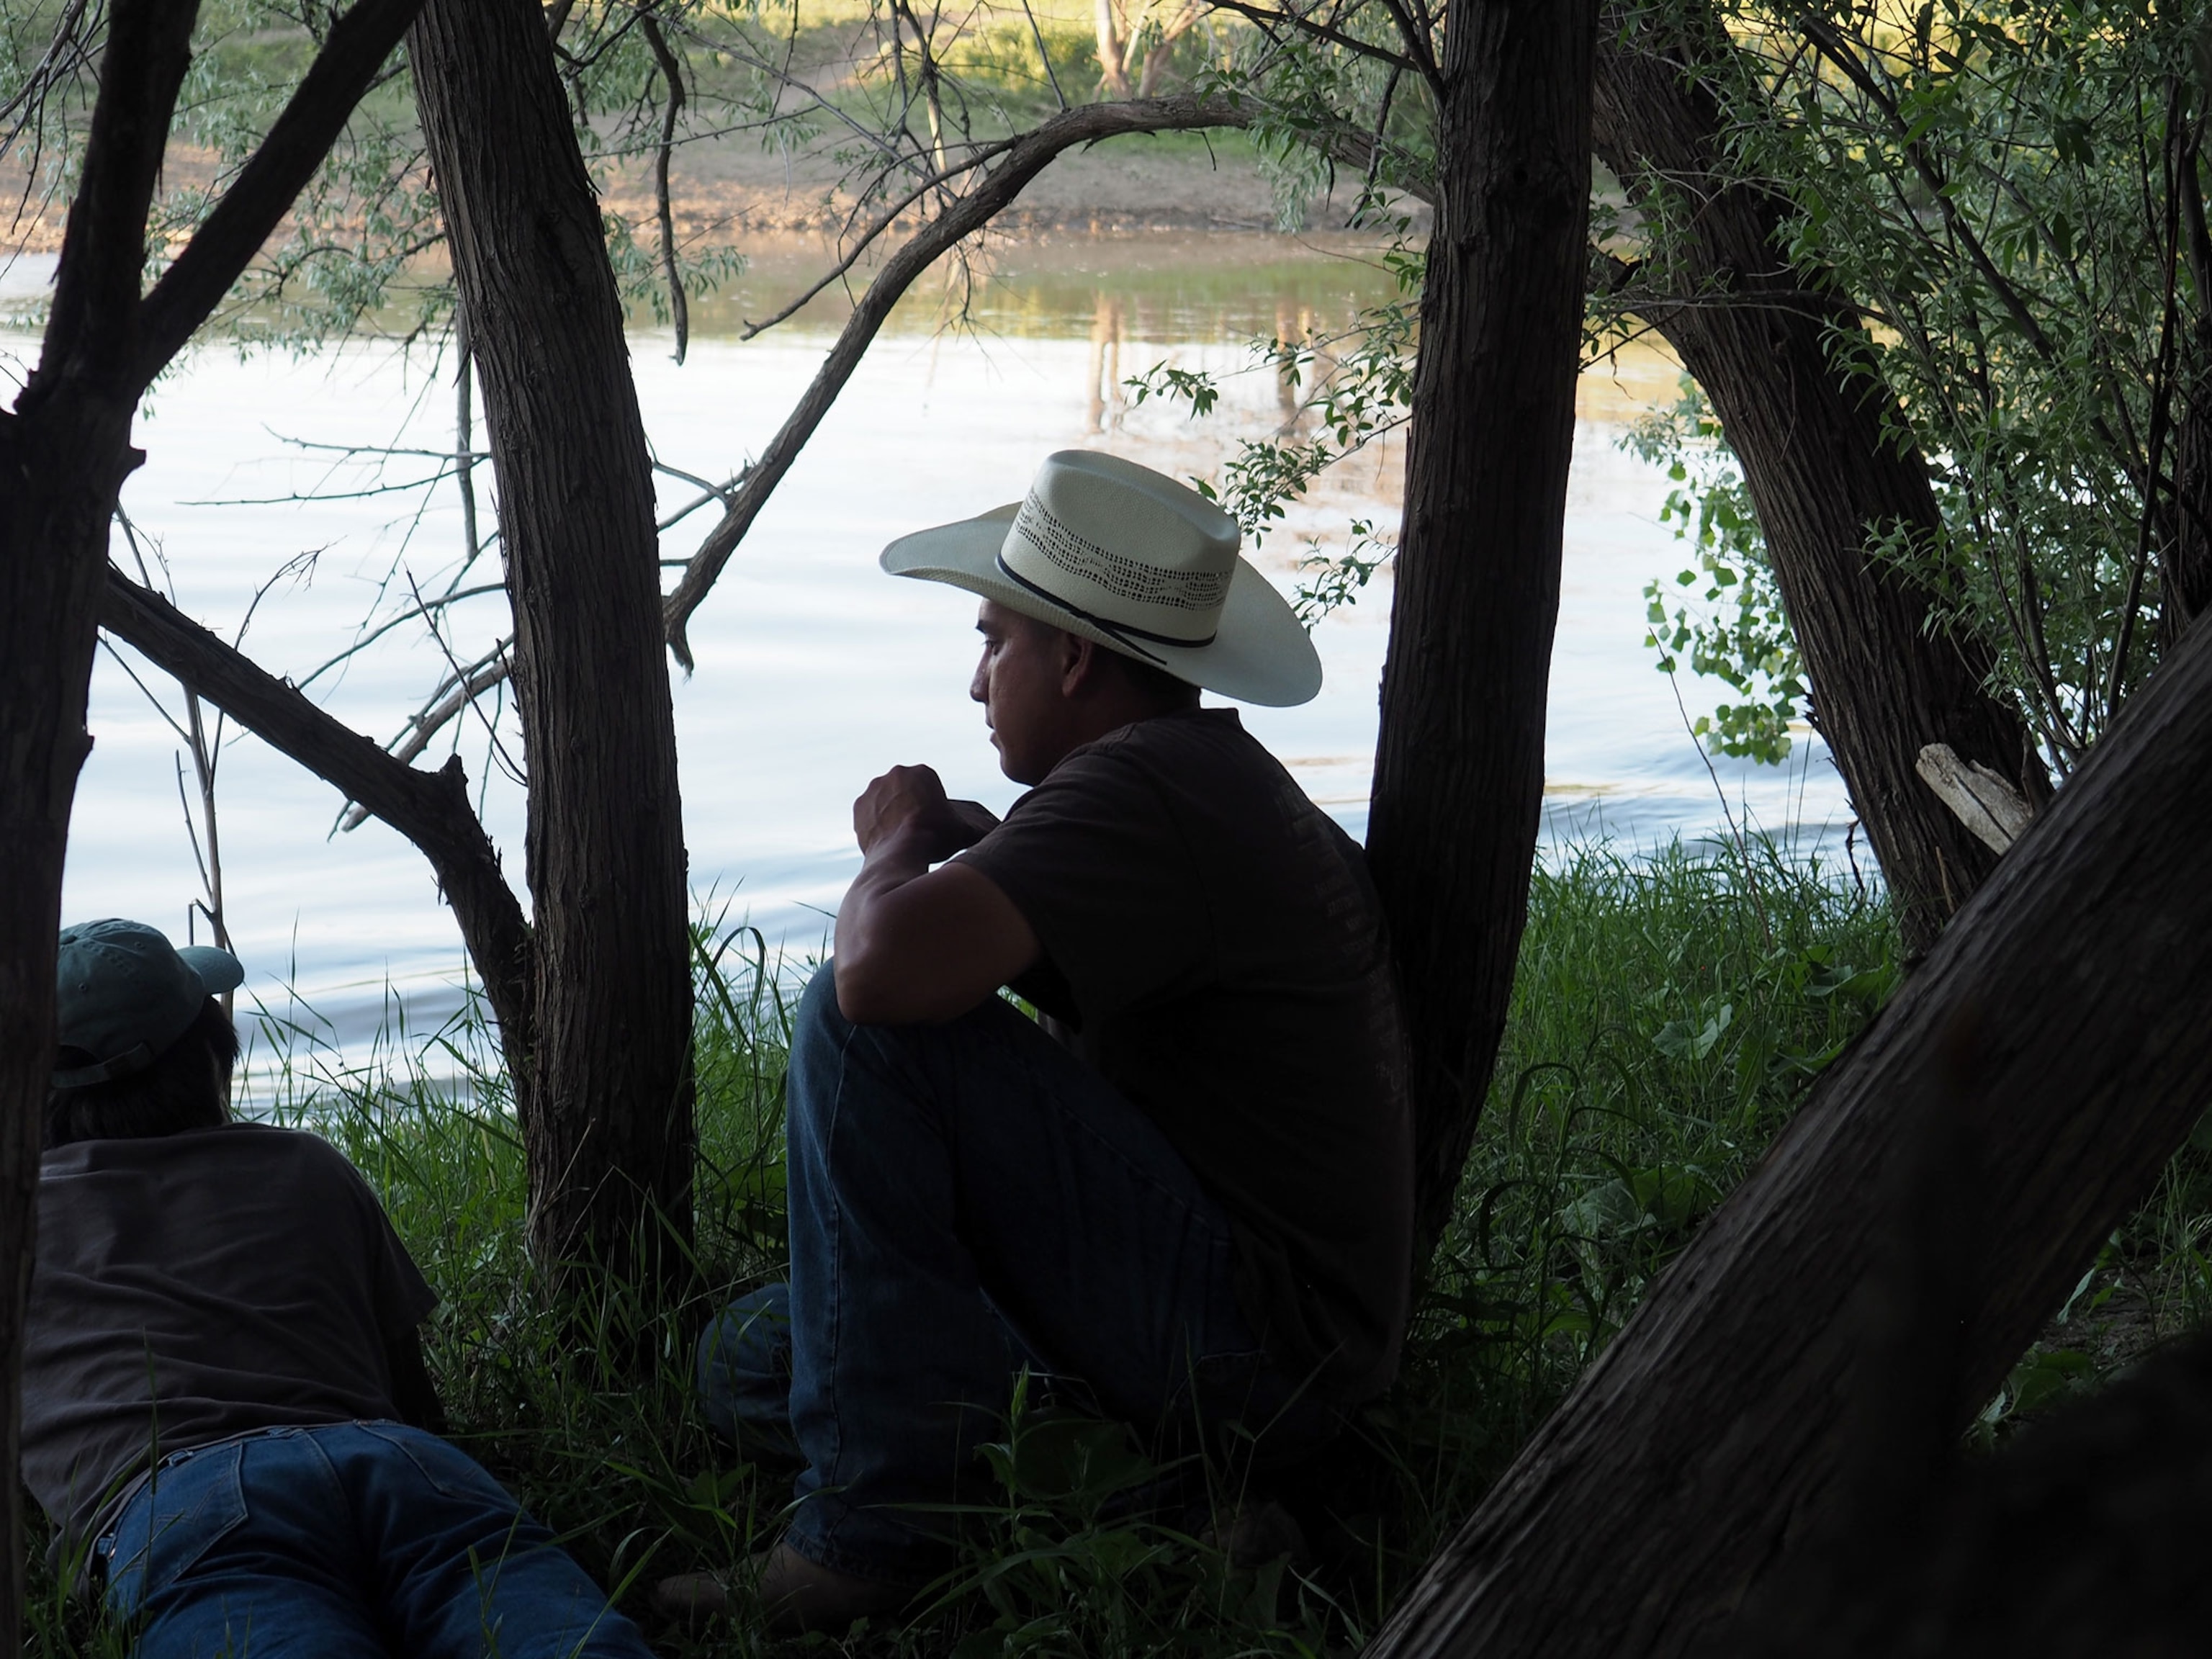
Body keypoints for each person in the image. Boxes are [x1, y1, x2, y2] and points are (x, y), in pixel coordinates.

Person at [667, 449, 1415, 1634]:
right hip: (1272, 1350)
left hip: (1253, 1345)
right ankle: (1173, 1499)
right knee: (749, 1355)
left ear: (1071, 659)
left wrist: (896, 842)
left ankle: (867, 1539)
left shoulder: (1142, 792)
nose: (975, 682)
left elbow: (878, 977)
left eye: (993, 640)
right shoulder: (1184, 778)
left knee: (851, 1026)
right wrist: (973, 857)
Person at [27, 918, 655, 1659]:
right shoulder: (306, 1164)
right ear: (208, 1059)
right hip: (396, 1462)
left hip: (185, 1505)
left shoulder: (17, 1221)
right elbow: (413, 1394)